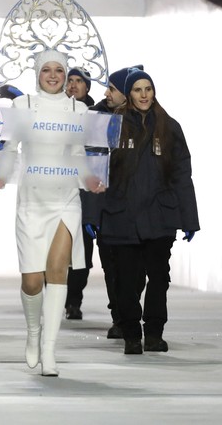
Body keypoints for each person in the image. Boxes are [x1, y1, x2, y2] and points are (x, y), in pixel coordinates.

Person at [0, 49, 104, 377]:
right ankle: (33, 333)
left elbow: (80, 153)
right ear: (37, 73)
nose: (53, 75)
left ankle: (50, 351)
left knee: (58, 273)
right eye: (46, 70)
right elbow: (9, 149)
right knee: (33, 280)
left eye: (58, 70)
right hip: (32, 201)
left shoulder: (78, 109)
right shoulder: (21, 106)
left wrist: (91, 178)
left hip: (66, 199)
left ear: (66, 75)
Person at [96, 68, 199, 355]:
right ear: (129, 93)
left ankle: (154, 332)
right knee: (128, 281)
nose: (144, 95)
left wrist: (189, 218)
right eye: (138, 90)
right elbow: (96, 172)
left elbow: (181, 174)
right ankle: (131, 334)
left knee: (159, 277)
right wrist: (93, 215)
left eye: (148, 89)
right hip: (123, 216)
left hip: (159, 215)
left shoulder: (169, 127)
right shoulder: (112, 125)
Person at [81, 65, 141, 339]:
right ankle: (121, 317)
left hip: (136, 208)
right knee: (112, 266)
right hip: (106, 205)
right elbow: (89, 166)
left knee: (134, 271)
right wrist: (91, 212)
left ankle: (128, 314)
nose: (106, 93)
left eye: (112, 89)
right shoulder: (97, 118)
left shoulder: (145, 120)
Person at [64, 66, 95, 319]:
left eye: (79, 81)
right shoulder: (55, 112)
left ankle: (73, 300)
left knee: (82, 252)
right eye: (70, 81)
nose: (73, 85)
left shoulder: (97, 115)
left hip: (86, 192)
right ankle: (53, 294)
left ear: (87, 87)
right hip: (57, 187)